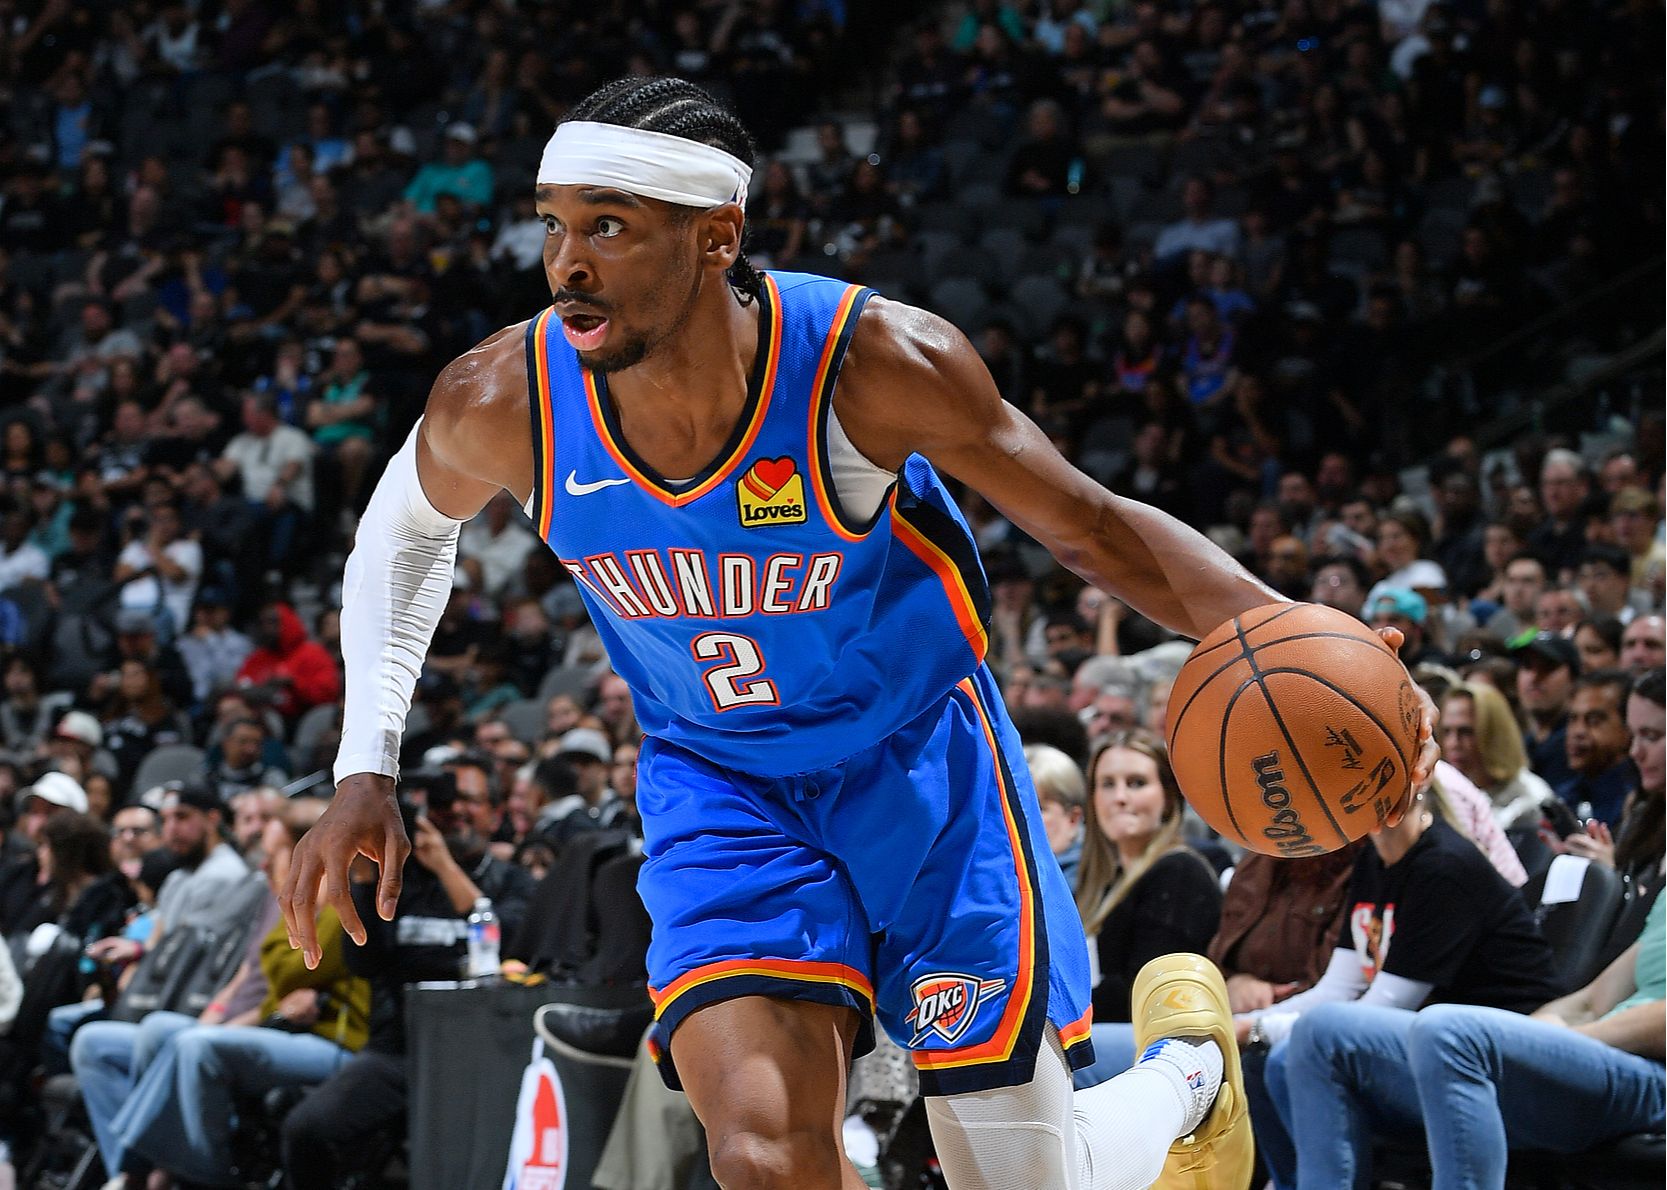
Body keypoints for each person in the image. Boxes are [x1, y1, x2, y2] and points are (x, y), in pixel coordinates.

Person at [281, 76, 1437, 1190]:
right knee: (760, 1157)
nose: (566, 264)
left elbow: (1088, 526)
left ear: (716, 235)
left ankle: (1186, 1078)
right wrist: (364, 764)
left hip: (918, 762)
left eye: (609, 226)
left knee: (1020, 1177)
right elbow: (402, 528)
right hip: (722, 782)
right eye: (554, 224)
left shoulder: (871, 365)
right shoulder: (506, 397)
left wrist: (1291, 627)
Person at [1241, 784, 1561, 1189]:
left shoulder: (1445, 866)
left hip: (1499, 1062)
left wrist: (1254, 1029)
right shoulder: (1372, 860)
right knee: (1259, 1061)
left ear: (1417, 779)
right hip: (1429, 1046)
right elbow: (1337, 989)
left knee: (1287, 1058)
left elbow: (1385, 1007)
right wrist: (1243, 1023)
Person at [1278, 878, 1663, 1190]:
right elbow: (1591, 1002)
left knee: (1447, 1031)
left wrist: (1568, 1043)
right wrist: (1536, 1047)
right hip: (1602, 1053)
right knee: (1321, 1030)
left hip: (1648, 1075)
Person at [95, 802, 368, 1190]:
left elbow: (289, 968)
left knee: (196, 1046)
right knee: (158, 1029)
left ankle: (189, 1176)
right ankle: (148, 1170)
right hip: (282, 1028)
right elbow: (271, 966)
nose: (265, 865)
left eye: (276, 854)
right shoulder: (298, 900)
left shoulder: (344, 898)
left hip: (337, 1043)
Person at [279, 771, 533, 1189]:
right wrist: (365, 879)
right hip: (399, 1048)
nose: (456, 812)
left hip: (480, 1053)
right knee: (306, 1129)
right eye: (444, 804)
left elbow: (512, 945)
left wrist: (445, 866)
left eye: (470, 801)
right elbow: (363, 963)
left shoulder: (512, 880)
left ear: (495, 814)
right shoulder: (397, 880)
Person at [1071, 732, 1222, 1083]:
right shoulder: (1102, 883)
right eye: (1107, 784)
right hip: (1115, 1030)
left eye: (1136, 783)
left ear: (1168, 798)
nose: (1120, 797)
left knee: (1042, 1062)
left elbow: (1145, 993)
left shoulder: (1180, 872)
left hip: (1174, 1042)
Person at [1438, 681, 1556, 829]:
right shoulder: (1440, 791)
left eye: (1466, 732)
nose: (1453, 743)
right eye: (1446, 732)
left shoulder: (1532, 798)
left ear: (1494, 734)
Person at [1557, 669, 1638, 830]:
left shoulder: (1639, 800)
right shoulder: (1563, 796)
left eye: (1594, 721)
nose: (1578, 731)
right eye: (1573, 719)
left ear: (1628, 730)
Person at [1025, 743, 1086, 886]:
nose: (1024, 819)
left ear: (1073, 818)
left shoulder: (1088, 881)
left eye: (1038, 809)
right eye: (1016, 810)